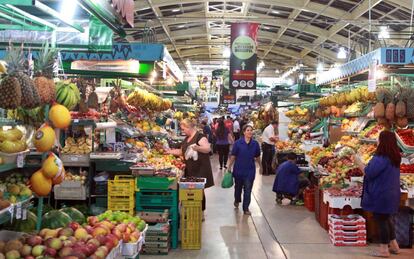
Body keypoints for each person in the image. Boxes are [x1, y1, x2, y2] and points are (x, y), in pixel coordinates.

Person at [354, 131, 401, 258]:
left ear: (383, 141)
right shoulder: (395, 157)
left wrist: (358, 161)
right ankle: (395, 246)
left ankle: (384, 250)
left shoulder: (381, 158)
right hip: (392, 192)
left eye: (378, 139)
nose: (377, 141)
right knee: (387, 218)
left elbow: (369, 172)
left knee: (381, 220)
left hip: (381, 193)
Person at [167, 119, 214, 217]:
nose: (183, 131)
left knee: (199, 190)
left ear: (189, 127)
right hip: (191, 168)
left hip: (200, 169)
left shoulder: (200, 137)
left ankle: (201, 213)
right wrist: (169, 151)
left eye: (183, 129)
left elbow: (207, 148)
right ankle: (192, 210)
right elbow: (181, 152)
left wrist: (197, 148)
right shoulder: (187, 138)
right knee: (193, 190)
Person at [226, 125, 261, 215]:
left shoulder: (255, 144)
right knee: (238, 189)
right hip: (239, 170)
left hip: (250, 171)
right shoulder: (238, 143)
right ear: (244, 132)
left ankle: (246, 208)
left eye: (251, 130)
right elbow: (233, 156)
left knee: (248, 189)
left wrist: (261, 166)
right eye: (248, 130)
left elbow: (257, 156)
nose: (250, 132)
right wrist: (229, 166)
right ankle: (237, 200)